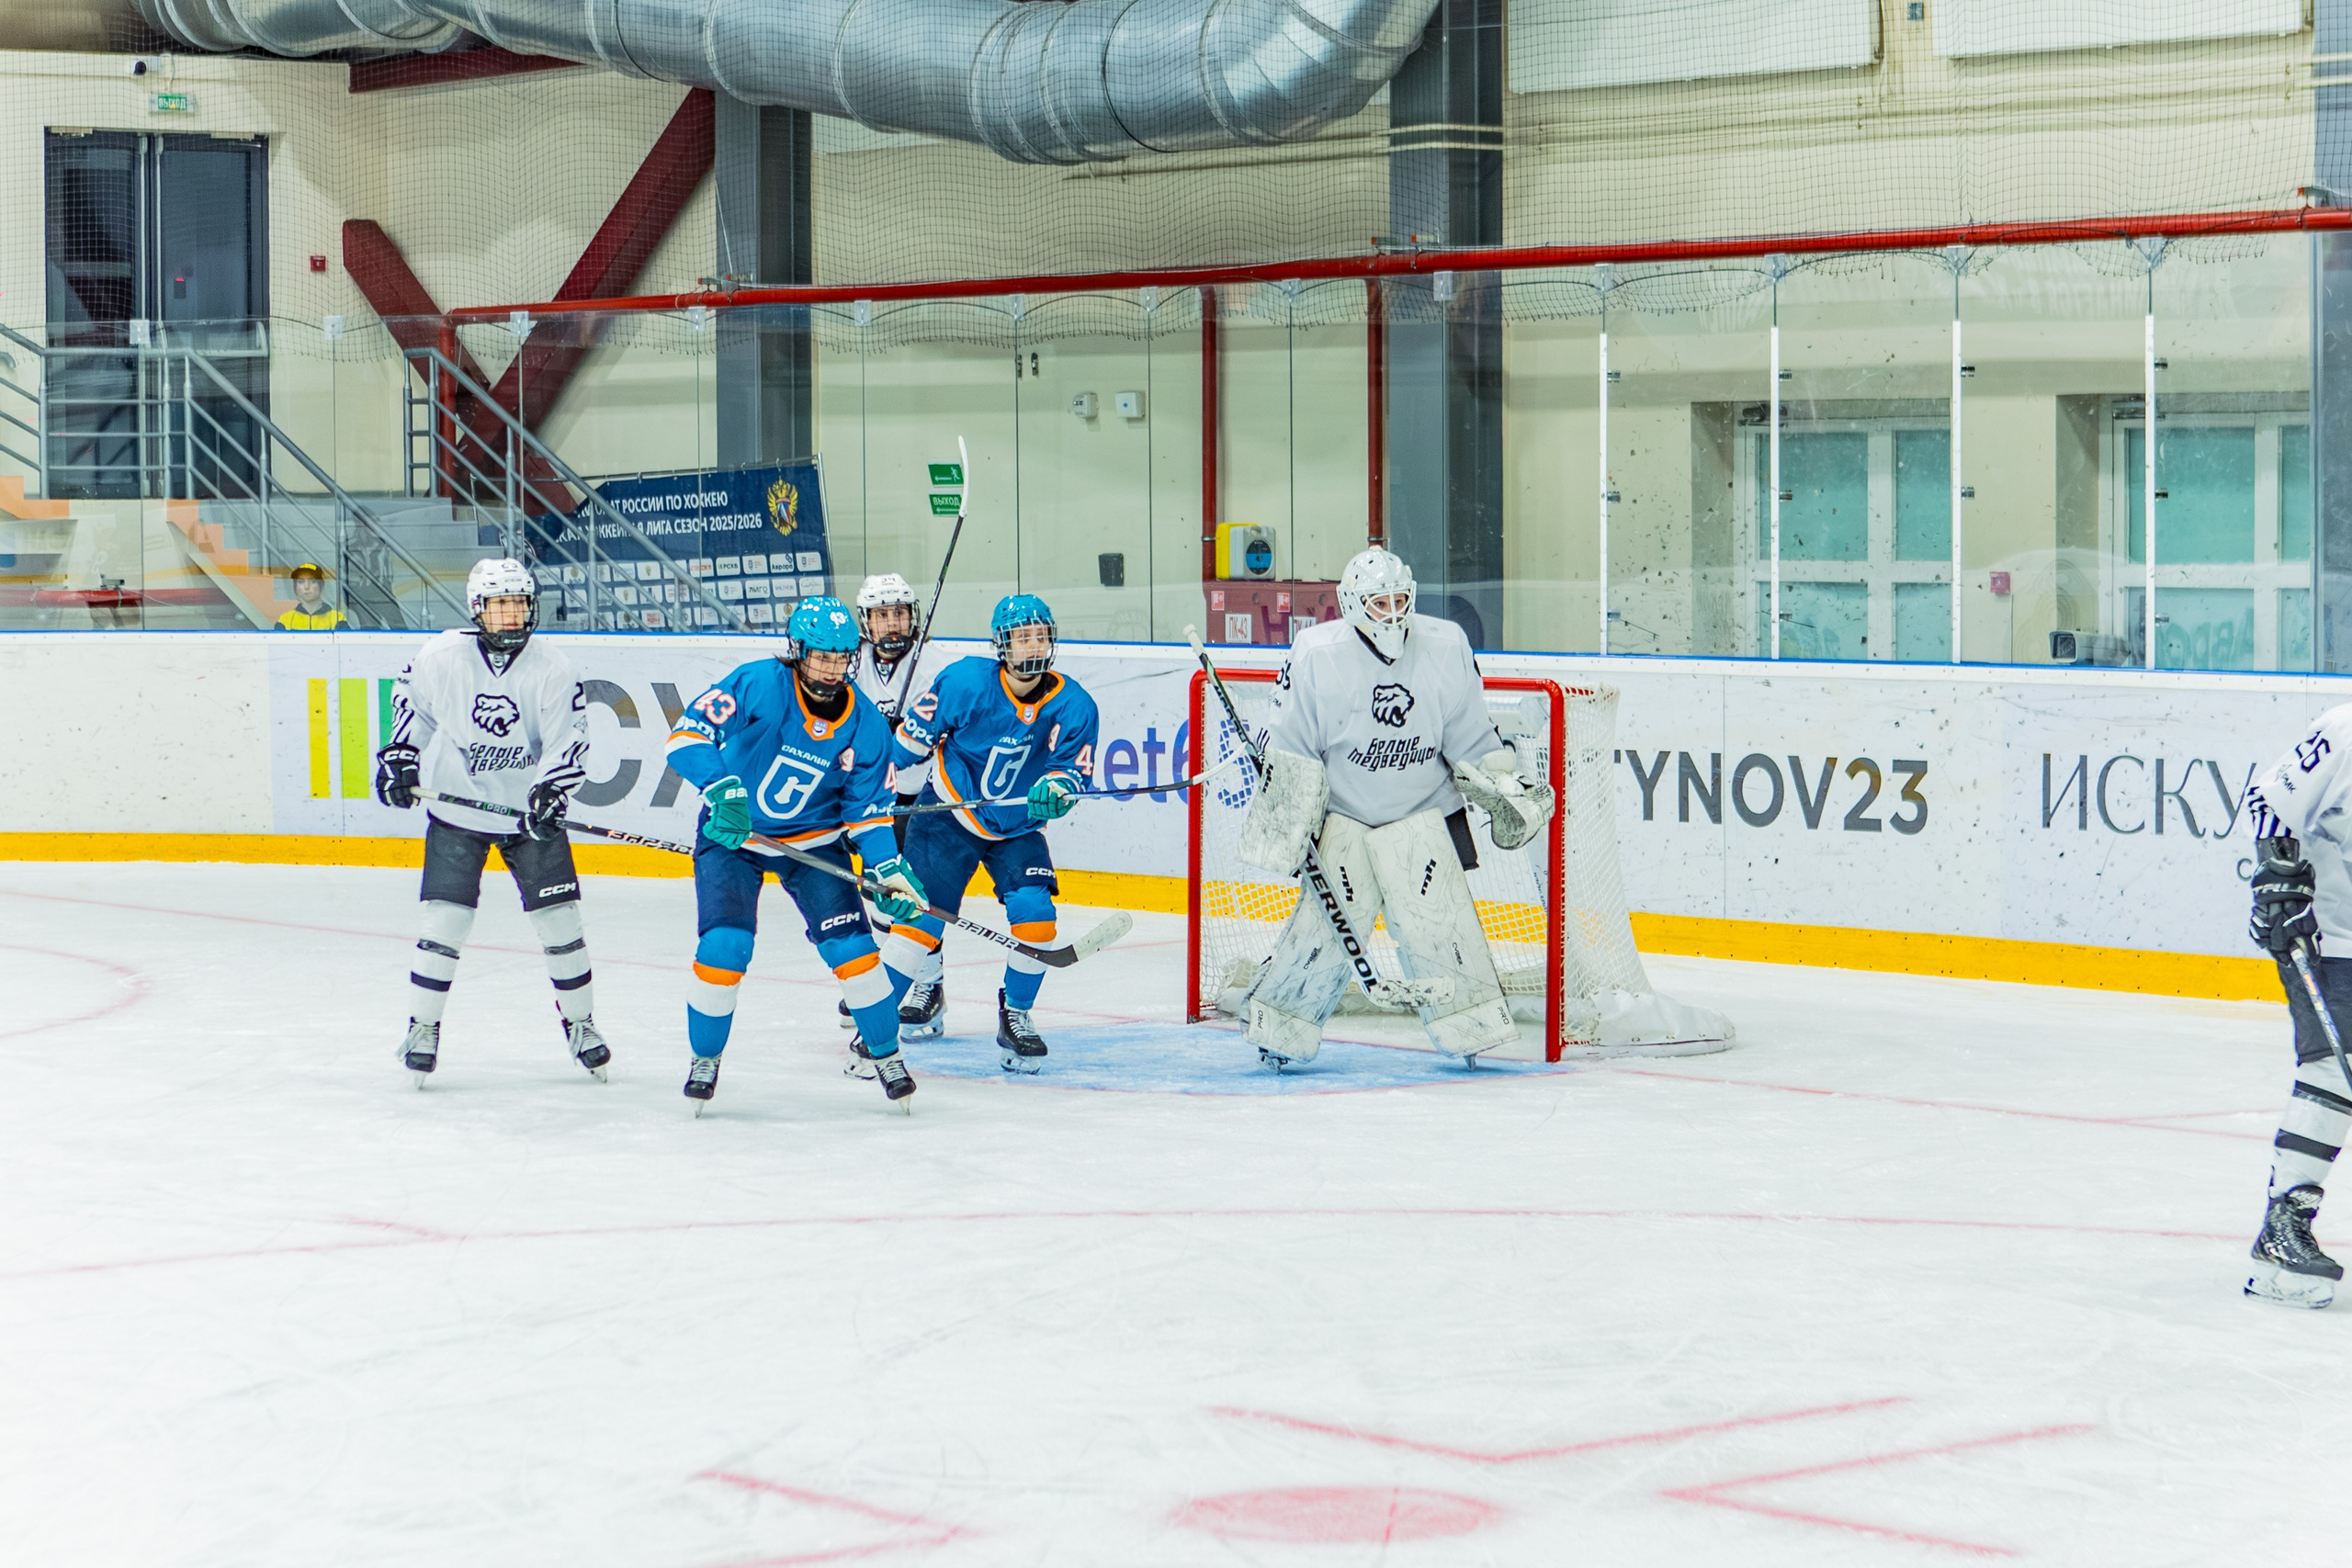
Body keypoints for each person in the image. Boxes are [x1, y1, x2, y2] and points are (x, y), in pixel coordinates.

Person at [1226, 546, 1555, 1071]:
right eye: (1380, 602)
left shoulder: (1447, 646)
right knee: (1324, 933)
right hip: (1344, 816)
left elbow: (1471, 735)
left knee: (1439, 926)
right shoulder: (1316, 653)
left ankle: (1471, 1027)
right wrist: (1289, 824)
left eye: (1401, 598)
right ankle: (1280, 1029)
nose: (1394, 612)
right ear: (1352, 604)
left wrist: (1503, 783)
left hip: (1423, 811)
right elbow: (1291, 749)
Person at [662, 595, 930, 1114]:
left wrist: (889, 867)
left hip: (814, 844)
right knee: (724, 948)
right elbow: (688, 735)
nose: (830, 670)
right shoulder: (760, 682)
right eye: (820, 657)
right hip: (736, 835)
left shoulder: (867, 724)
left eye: (840, 658)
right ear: (797, 650)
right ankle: (705, 1059)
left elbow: (869, 811)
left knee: (857, 957)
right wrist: (722, 789)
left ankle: (887, 1055)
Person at [372, 558, 608, 1084]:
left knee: (561, 924)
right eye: (500, 605)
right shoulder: (441, 656)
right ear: (478, 609)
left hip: (526, 817)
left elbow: (568, 738)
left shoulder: (553, 667)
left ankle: (582, 1024)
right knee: (444, 924)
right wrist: (401, 756)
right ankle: (421, 1027)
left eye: (519, 603)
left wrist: (553, 790)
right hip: (457, 810)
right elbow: (411, 705)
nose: (511, 615)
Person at [880, 593, 1099, 1072]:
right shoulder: (963, 681)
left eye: (1040, 635)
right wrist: (865, 790)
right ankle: (876, 1027)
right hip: (945, 814)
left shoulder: (1075, 704)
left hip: (1017, 827)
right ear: (1003, 645)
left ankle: (1016, 1015)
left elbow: (1069, 773)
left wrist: (1056, 790)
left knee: (1036, 917)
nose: (1033, 645)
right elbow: (908, 744)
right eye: (1023, 637)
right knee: (919, 920)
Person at [2240, 712, 2352, 1305]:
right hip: (2330, 934)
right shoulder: (2345, 728)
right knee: (2335, 1065)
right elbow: (2268, 797)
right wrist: (2278, 875)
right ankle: (2285, 1226)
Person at [276, 563, 346, 630]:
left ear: (321, 586)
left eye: (313, 581)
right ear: (295, 587)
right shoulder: (285, 620)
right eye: (301, 582)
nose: (306, 587)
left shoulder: (337, 618)